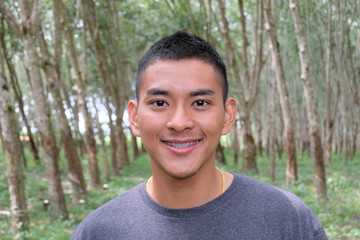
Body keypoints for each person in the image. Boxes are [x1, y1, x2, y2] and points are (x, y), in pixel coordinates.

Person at [71, 31, 327, 240]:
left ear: (227, 115)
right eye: (160, 103)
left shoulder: (287, 221)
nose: (180, 122)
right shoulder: (98, 232)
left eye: (200, 103)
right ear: (135, 117)